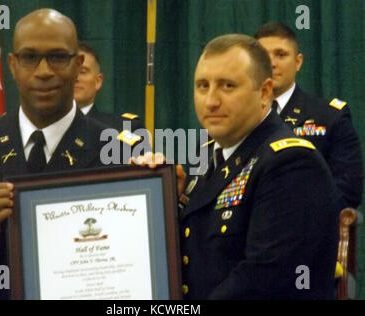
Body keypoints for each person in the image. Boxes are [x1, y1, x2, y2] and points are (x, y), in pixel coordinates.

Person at [0, 8, 143, 300]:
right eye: (29, 57)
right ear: (12, 65)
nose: (44, 71)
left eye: (58, 57)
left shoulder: (119, 152)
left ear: (78, 65)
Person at [132, 34, 340, 299]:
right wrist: (161, 199)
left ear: (265, 92)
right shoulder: (209, 155)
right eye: (202, 86)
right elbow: (195, 253)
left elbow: (261, 281)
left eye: (227, 86)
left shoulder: (291, 163)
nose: (211, 101)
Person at [254, 21, 363, 209]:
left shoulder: (329, 117)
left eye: (281, 54)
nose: (271, 63)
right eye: (263, 56)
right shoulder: (236, 116)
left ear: (298, 62)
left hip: (301, 230)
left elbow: (347, 191)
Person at [74, 41, 145, 131]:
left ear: (98, 81)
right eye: (71, 72)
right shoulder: (50, 126)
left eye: (83, 72)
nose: (76, 78)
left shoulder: (125, 128)